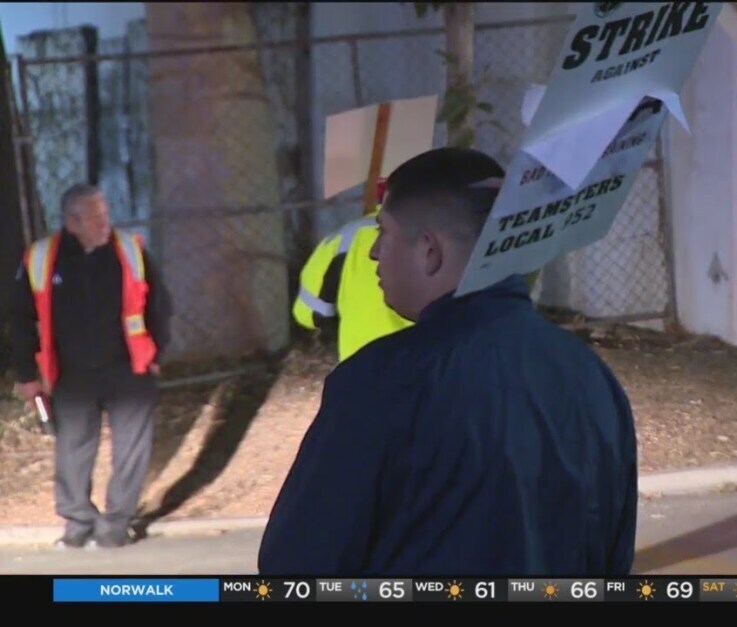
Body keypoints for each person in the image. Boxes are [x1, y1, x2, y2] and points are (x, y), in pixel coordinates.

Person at [258, 147, 638, 576]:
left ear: (429, 250)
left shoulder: (378, 382)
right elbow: (614, 550)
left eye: (384, 232)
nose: (374, 252)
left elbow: (297, 564)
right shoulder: (591, 376)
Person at [8, 183, 171, 549]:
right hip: (72, 373)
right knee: (72, 449)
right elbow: (20, 320)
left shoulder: (130, 250)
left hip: (129, 369)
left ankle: (115, 525)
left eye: (106, 214)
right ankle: (78, 521)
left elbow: (160, 306)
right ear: (72, 222)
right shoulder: (41, 259)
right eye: (95, 217)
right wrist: (28, 376)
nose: (104, 223)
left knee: (131, 450)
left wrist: (155, 355)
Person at [293, 180, 412, 362]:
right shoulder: (454, 237)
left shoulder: (346, 237)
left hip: (360, 367)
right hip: (436, 369)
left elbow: (308, 313)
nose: (374, 252)